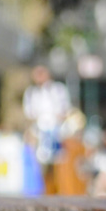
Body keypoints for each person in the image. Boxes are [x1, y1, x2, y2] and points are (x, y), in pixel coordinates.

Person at [22, 64, 72, 193]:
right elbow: (28, 114)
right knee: (40, 166)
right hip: (39, 132)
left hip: (56, 132)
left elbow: (65, 111)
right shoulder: (31, 92)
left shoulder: (58, 89)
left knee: (59, 164)